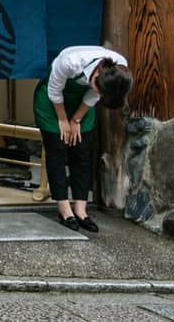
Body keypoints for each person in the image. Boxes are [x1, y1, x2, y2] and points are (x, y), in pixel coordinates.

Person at [33, 46, 132, 233]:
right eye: (101, 91)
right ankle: (64, 210)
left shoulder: (119, 69)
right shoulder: (70, 62)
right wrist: (63, 119)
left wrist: (76, 119)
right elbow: (55, 91)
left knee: (82, 153)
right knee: (57, 152)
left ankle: (80, 210)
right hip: (52, 101)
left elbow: (94, 94)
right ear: (95, 78)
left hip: (82, 102)